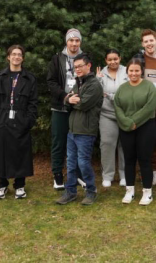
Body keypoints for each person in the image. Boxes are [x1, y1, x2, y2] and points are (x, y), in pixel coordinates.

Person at [0, 45, 38, 200]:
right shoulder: (0, 77)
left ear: (22, 58)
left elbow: (33, 102)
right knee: (1, 151)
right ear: (8, 57)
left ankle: (19, 185)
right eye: (13, 54)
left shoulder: (29, 78)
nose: (16, 57)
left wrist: (29, 120)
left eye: (19, 54)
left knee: (20, 152)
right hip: (2, 118)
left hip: (21, 118)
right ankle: (1, 185)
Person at [56, 53, 103, 205]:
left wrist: (70, 100)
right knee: (70, 163)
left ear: (88, 66)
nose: (77, 69)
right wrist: (68, 99)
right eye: (75, 67)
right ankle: (70, 192)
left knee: (83, 163)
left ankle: (91, 191)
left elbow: (83, 104)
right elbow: (68, 99)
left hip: (86, 132)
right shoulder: (78, 82)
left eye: (80, 66)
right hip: (72, 130)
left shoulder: (94, 85)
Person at [114, 58, 156, 205]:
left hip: (146, 126)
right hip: (126, 128)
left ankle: (147, 192)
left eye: (137, 70)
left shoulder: (149, 87)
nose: (134, 73)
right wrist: (127, 123)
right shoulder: (122, 88)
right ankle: (130, 191)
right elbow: (118, 107)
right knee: (129, 160)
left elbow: (149, 107)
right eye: (131, 70)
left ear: (142, 71)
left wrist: (134, 122)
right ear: (127, 72)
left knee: (145, 159)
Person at [47, 28, 85, 190]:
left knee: (78, 142)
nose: (74, 43)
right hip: (60, 107)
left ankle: (77, 175)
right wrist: (65, 96)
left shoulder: (85, 58)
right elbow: (51, 82)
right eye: (71, 40)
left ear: (80, 42)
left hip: (79, 108)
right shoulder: (57, 59)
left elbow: (89, 80)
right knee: (59, 142)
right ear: (66, 42)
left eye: (77, 40)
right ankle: (57, 175)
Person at [133, 29, 156, 186]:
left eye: (151, 40)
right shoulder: (139, 60)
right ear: (142, 44)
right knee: (143, 142)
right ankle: (143, 171)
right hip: (144, 108)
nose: (149, 44)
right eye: (146, 41)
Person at [96, 49, 128, 188]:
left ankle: (124, 175)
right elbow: (98, 93)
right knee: (107, 143)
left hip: (125, 114)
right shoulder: (100, 74)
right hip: (107, 113)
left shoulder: (127, 71)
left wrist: (108, 95)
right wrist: (98, 80)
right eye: (110, 59)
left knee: (125, 145)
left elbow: (127, 92)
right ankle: (107, 175)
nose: (113, 62)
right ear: (105, 61)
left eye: (115, 58)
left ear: (120, 58)